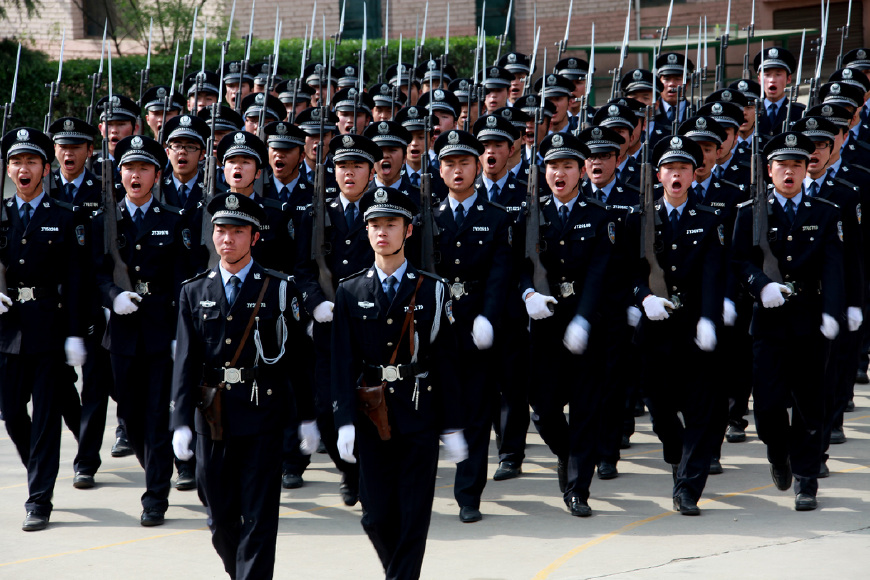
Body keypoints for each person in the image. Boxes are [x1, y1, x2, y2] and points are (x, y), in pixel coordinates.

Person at [170, 192, 313, 580]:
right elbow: (185, 361)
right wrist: (180, 420)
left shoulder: (280, 289)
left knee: (259, 517)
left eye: (237, 231)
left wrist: (309, 418)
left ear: (255, 237)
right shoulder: (193, 290)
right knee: (218, 517)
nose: (227, 239)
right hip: (211, 419)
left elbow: (299, 360)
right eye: (221, 230)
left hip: (262, 415)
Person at [332, 186, 466, 580]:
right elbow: (341, 362)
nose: (381, 232)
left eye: (390, 224)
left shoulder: (433, 290)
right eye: (374, 224)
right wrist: (341, 420)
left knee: (413, 514)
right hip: (371, 416)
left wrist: (453, 423)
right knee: (374, 516)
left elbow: (447, 362)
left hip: (418, 414)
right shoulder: (350, 290)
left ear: (408, 231)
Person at [731, 131, 844, 511]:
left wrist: (832, 311)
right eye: (782, 165)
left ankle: (807, 478)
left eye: (797, 164)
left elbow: (833, 266)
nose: (790, 172)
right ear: (769, 170)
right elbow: (738, 261)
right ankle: (778, 454)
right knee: (766, 406)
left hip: (810, 323)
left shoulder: (825, 212)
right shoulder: (750, 212)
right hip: (768, 324)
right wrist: (760, 286)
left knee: (812, 405)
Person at [94, 134, 191, 526]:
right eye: (130, 168)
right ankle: (155, 466)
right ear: (120, 174)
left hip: (158, 329)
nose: (136, 175)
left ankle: (155, 496)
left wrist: (177, 334)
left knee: (154, 416)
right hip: (119, 333)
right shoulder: (106, 219)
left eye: (144, 168)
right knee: (130, 417)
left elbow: (184, 281)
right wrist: (112, 294)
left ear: (157, 174)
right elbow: (96, 272)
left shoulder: (173, 219)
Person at [0, 127, 89, 531]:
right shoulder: (0, 214)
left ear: (45, 169)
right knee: (11, 411)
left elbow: (74, 280)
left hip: (49, 327)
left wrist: (74, 333)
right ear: (8, 169)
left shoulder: (64, 216)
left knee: (47, 416)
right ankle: (37, 467)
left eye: (31, 161)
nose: (23, 168)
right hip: (7, 329)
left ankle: (39, 500)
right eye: (17, 161)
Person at [520, 132, 613, 516]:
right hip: (543, 325)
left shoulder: (598, 215)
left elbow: (598, 274)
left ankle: (578, 490)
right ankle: (567, 452)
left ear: (580, 172)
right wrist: (527, 294)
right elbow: (519, 266)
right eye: (553, 166)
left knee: (586, 411)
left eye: (568, 166)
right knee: (542, 407)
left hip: (586, 327)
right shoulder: (530, 214)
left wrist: (583, 320)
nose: (560, 173)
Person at [634, 135, 724, 516]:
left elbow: (713, 273)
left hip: (691, 329)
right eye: (670, 169)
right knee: (661, 410)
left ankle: (687, 488)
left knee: (702, 413)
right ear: (659, 175)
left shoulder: (707, 219)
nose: (676, 175)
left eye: (683, 168)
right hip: (654, 332)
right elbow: (628, 271)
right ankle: (674, 450)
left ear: (692, 174)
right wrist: (643, 297)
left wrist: (708, 317)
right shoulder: (641, 218)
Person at [47, 117, 113, 489]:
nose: (68, 153)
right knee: (57, 381)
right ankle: (81, 432)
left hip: (91, 300)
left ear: (90, 151)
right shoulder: (44, 185)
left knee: (96, 384)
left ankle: (86, 459)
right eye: (62, 146)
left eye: (76, 146)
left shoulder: (103, 189)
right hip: (50, 306)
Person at [754, 47, 804, 137]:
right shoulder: (752, 111)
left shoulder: (799, 113)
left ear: (788, 79)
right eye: (767, 75)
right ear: (759, 79)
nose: (772, 80)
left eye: (778, 74)